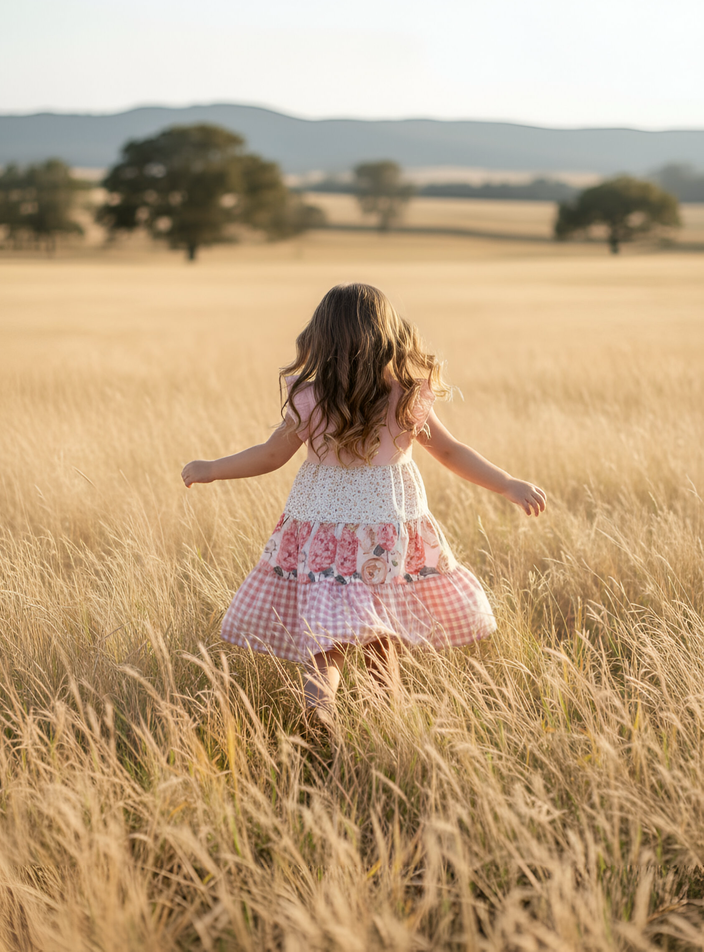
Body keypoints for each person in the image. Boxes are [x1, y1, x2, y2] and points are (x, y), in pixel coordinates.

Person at [181, 283, 546, 724]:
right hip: (384, 534)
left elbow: (270, 456)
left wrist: (211, 467)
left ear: (321, 338)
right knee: (380, 637)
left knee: (326, 640)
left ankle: (319, 708)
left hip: (321, 532)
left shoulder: (311, 397)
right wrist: (506, 483)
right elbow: (451, 452)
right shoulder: (406, 396)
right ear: (390, 336)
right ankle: (384, 722)